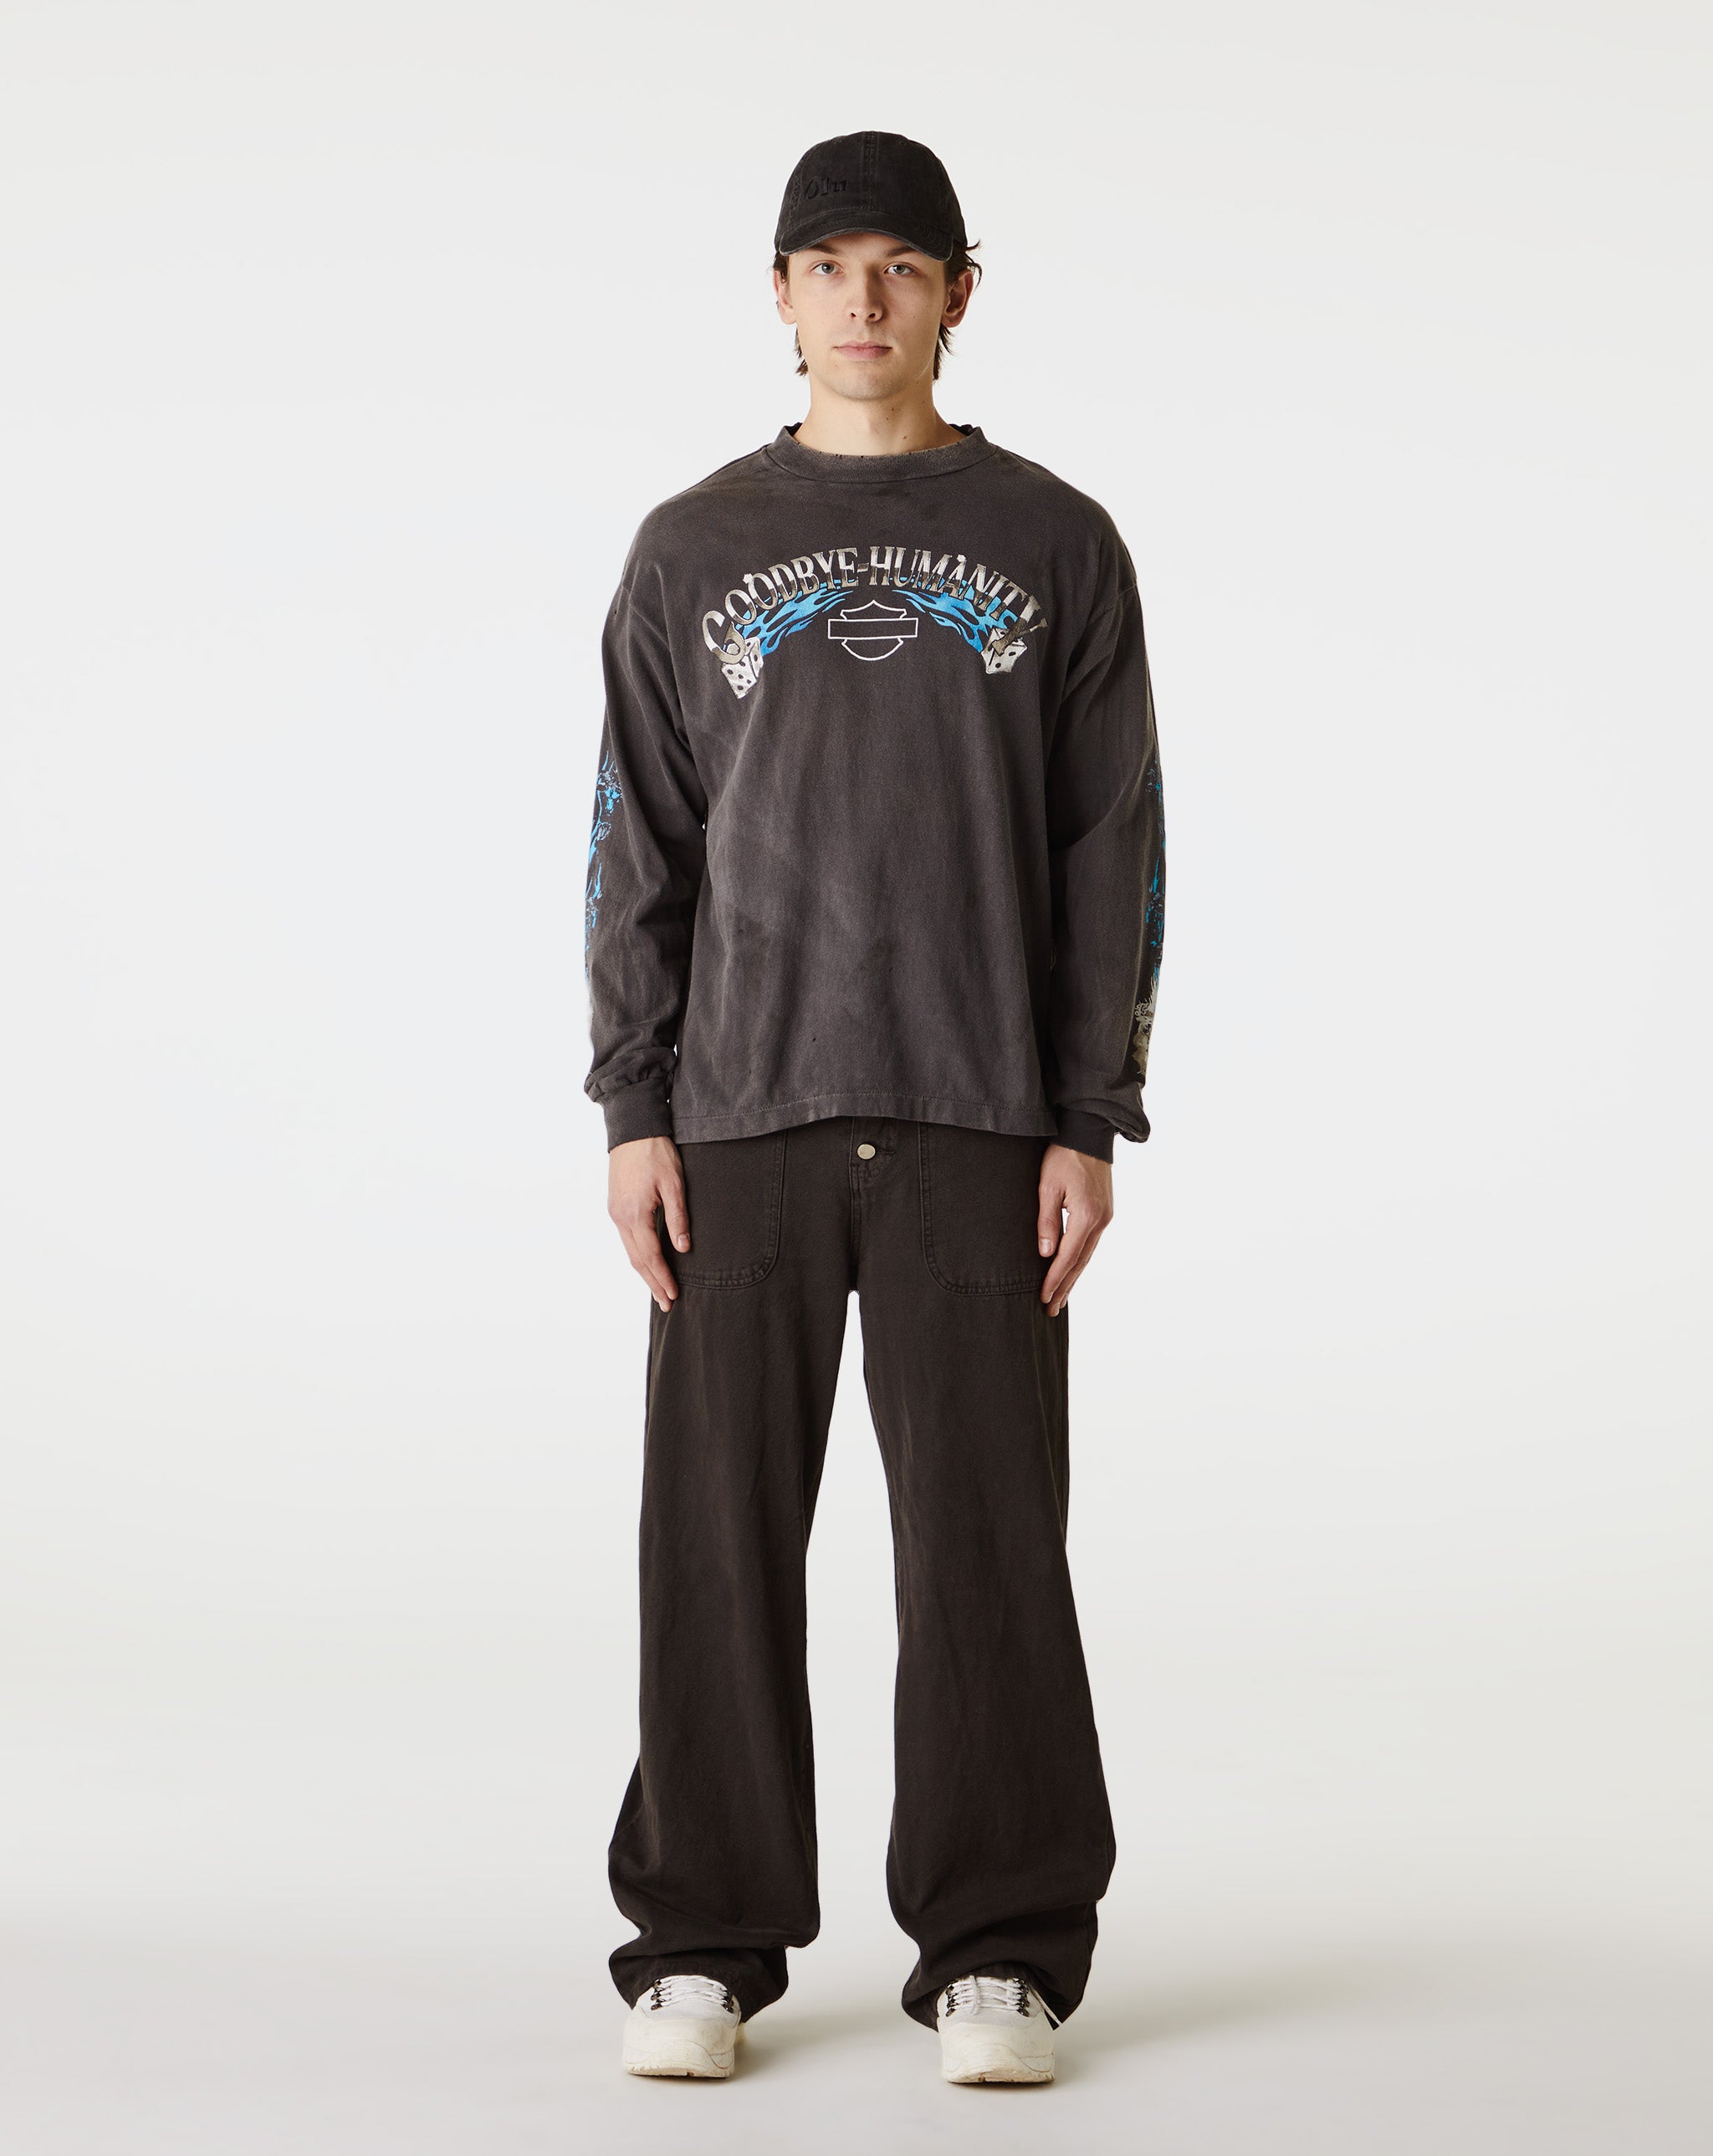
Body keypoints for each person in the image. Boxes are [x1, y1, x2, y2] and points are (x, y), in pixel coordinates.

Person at [582, 129, 1165, 2087]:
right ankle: (699, 1939)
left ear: (956, 294)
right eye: (827, 263)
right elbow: (635, 839)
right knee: (713, 1541)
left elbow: (1110, 842)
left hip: (978, 1114)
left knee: (986, 1545)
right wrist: (632, 1106)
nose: (862, 297)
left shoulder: (1055, 539)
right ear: (778, 294)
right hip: (736, 1116)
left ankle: (997, 1949)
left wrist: (1088, 1112)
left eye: (901, 264)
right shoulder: (690, 544)